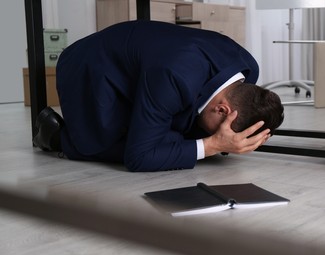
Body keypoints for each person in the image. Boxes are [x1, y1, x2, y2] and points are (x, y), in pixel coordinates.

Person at [33, 20, 284, 172]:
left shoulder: (248, 67)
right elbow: (137, 159)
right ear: (222, 110)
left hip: (150, 66)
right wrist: (212, 144)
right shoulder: (175, 76)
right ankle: (56, 138)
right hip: (90, 68)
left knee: (175, 141)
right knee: (143, 148)